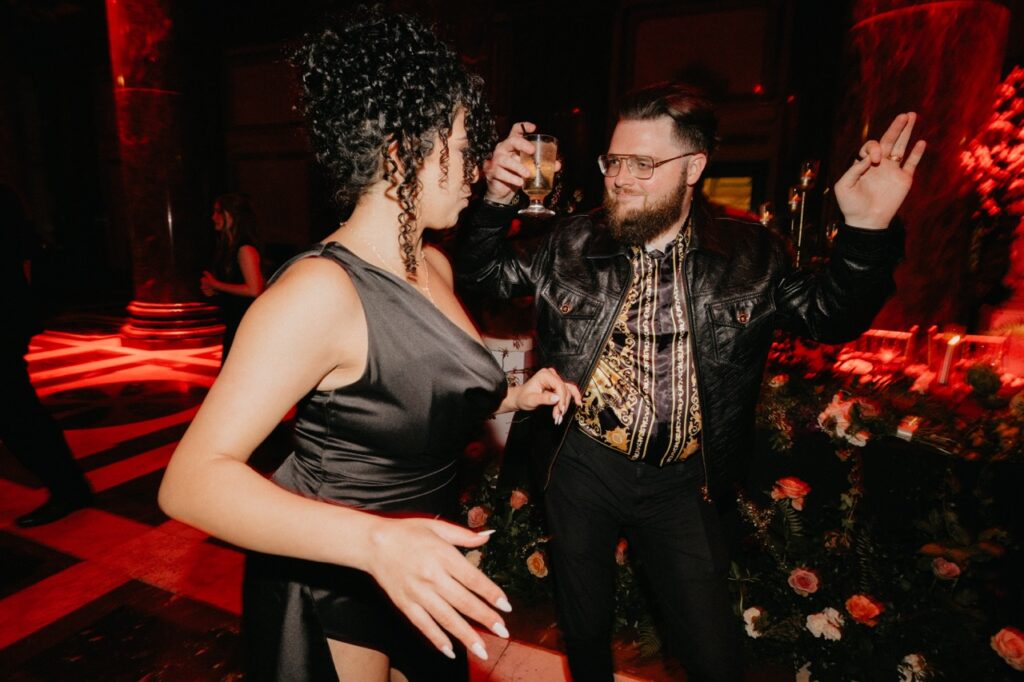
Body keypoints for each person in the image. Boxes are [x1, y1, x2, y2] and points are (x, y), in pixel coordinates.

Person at [158, 8, 580, 682]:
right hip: (337, 576)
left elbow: (411, 389)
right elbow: (189, 483)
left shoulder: (435, 265)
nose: (475, 166)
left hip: (420, 566)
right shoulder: (319, 292)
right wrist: (375, 542)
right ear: (399, 151)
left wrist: (512, 392)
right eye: (466, 143)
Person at [455, 83, 926, 681]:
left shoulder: (752, 252)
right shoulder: (570, 242)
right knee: (586, 628)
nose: (622, 177)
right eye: (615, 161)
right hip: (580, 467)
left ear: (694, 167)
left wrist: (867, 230)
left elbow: (828, 316)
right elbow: (482, 275)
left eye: (644, 164)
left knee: (713, 655)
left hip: (685, 483)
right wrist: (495, 199)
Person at [0, 184, 93, 527]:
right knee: (19, 414)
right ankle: (70, 487)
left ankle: (69, 489)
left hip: (5, 321)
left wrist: (16, 315)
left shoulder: (4, 200)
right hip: (11, 317)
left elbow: (24, 263)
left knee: (18, 416)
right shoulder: (10, 199)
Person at [200, 192, 266, 360]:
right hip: (234, 323)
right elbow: (236, 284)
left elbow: (254, 289)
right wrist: (214, 290)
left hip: (247, 325)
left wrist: (216, 285)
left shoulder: (245, 250)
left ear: (231, 215)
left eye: (218, 211)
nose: (213, 217)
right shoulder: (228, 248)